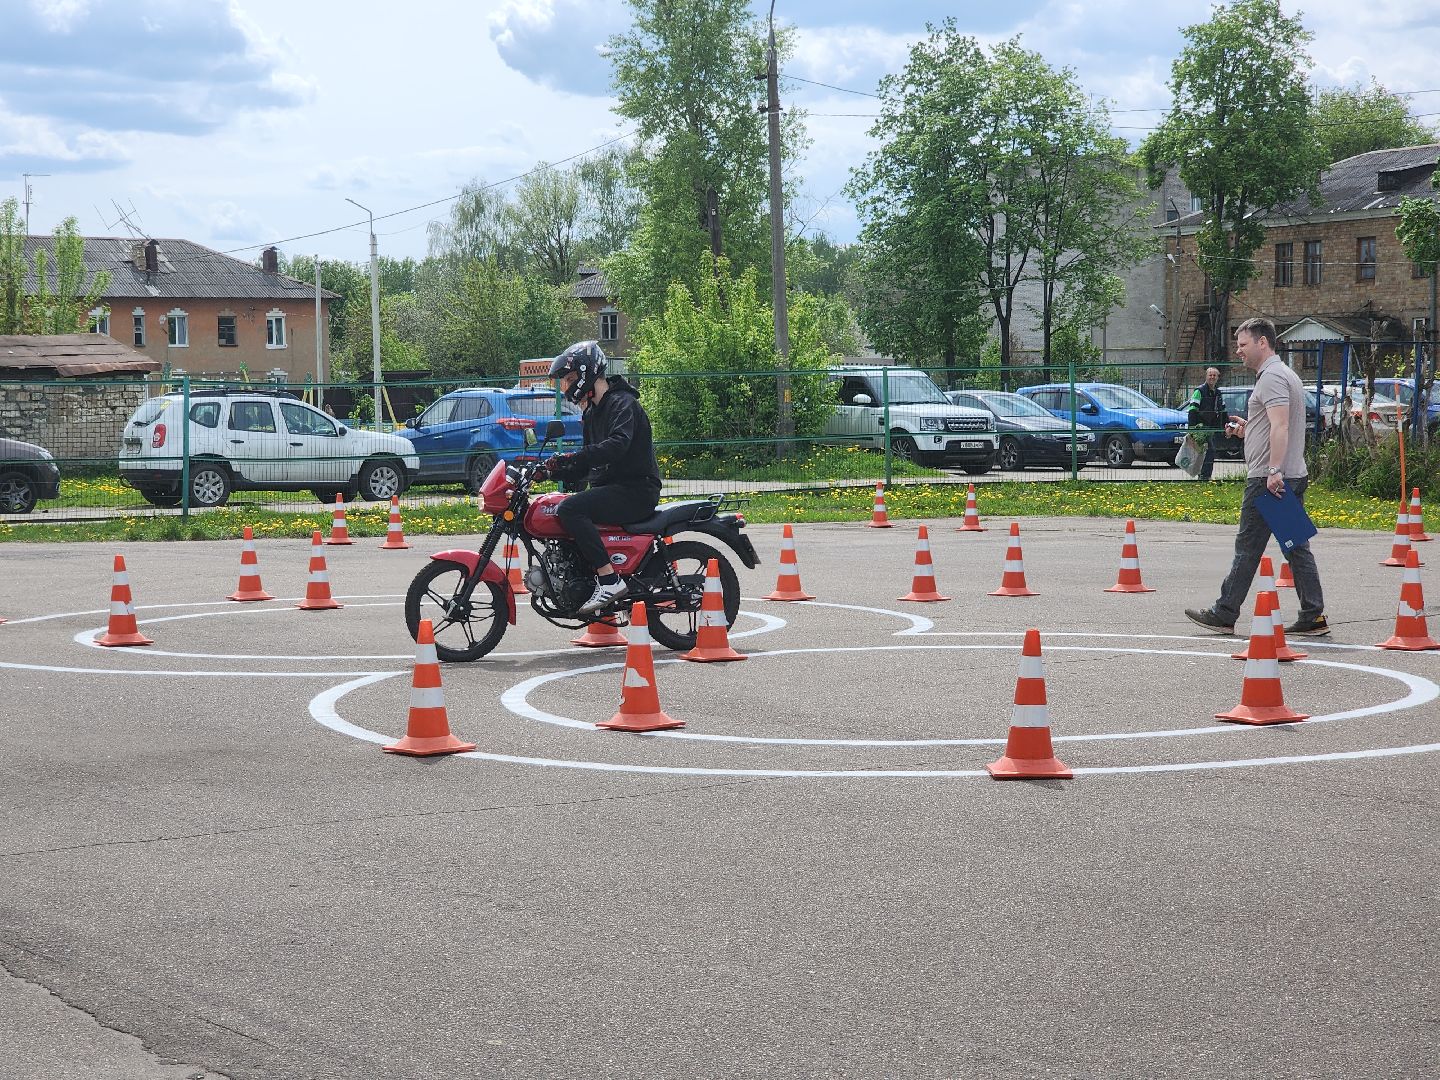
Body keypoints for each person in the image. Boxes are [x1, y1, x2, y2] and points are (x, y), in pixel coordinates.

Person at [1185, 318, 1328, 637]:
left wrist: (1274, 470)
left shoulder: (1272, 378)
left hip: (1270, 479)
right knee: (1294, 546)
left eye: (1242, 344)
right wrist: (1248, 431)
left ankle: (1225, 613)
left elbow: (1281, 426)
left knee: (1248, 547)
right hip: (1286, 474)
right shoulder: (1283, 374)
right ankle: (1313, 615)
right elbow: (1273, 425)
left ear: (1263, 343)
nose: (1238, 351)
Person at [536, 341, 662, 615]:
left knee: (570, 508)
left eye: (570, 379)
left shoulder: (622, 403)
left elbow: (617, 446)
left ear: (586, 373)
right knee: (564, 503)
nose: (567, 386)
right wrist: (553, 471)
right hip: (614, 488)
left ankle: (608, 580)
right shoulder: (592, 412)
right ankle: (586, 578)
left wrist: (575, 458)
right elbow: (587, 464)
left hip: (636, 489)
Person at [1185, 366, 1225, 480]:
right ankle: (1204, 477)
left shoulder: (1218, 393)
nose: (1212, 377)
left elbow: (1222, 410)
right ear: (1206, 377)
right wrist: (1192, 429)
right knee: (1209, 451)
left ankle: (1204, 476)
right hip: (1200, 427)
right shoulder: (1199, 391)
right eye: (1210, 375)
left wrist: (1225, 425)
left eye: (1214, 375)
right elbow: (1192, 409)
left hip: (1211, 427)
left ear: (1218, 377)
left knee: (1206, 452)